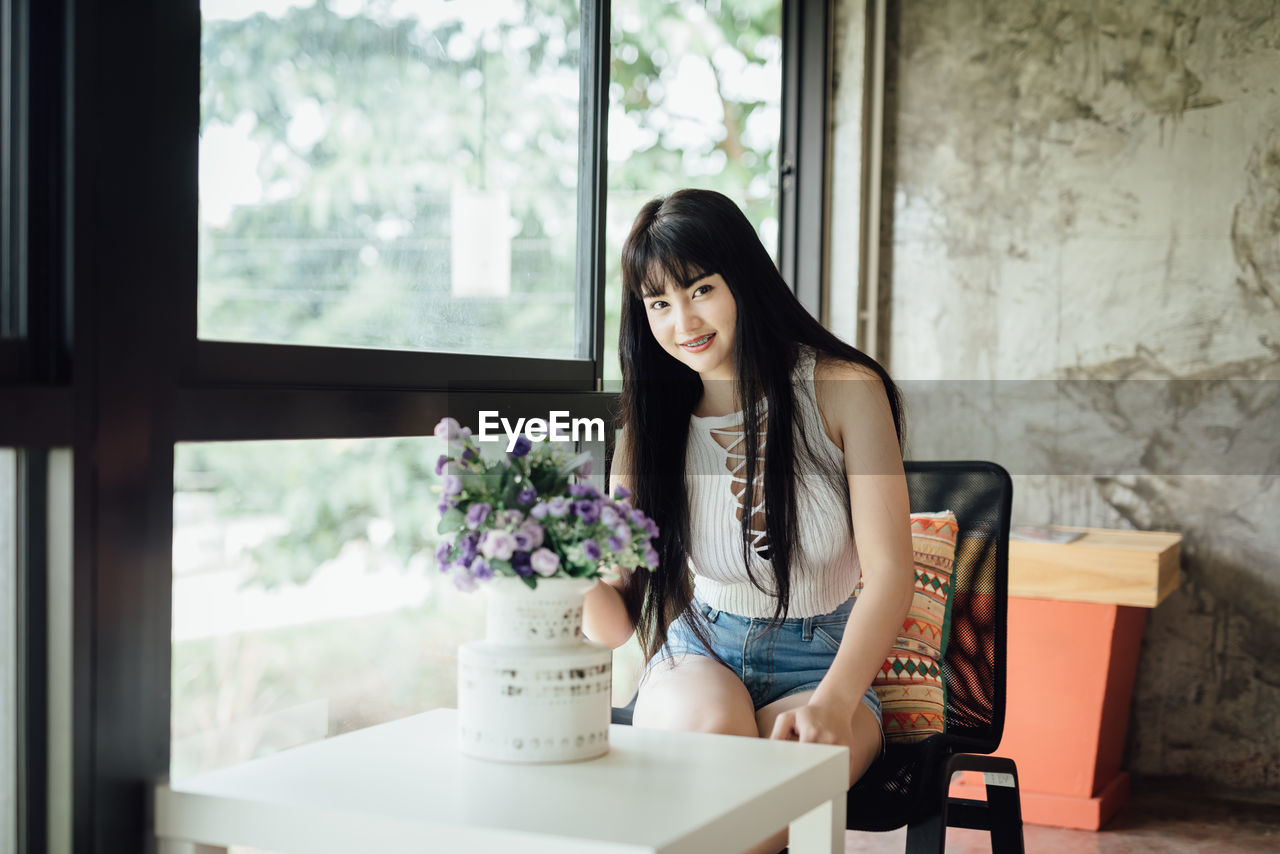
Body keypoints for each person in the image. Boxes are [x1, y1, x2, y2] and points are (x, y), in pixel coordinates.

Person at [583, 188, 914, 853]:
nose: (683, 321)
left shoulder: (842, 388)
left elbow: (889, 573)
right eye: (659, 304)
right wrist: (554, 564)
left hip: (824, 664)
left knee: (751, 824)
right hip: (702, 651)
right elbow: (614, 623)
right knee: (706, 773)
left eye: (699, 289)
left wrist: (835, 700)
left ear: (743, 278)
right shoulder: (647, 431)